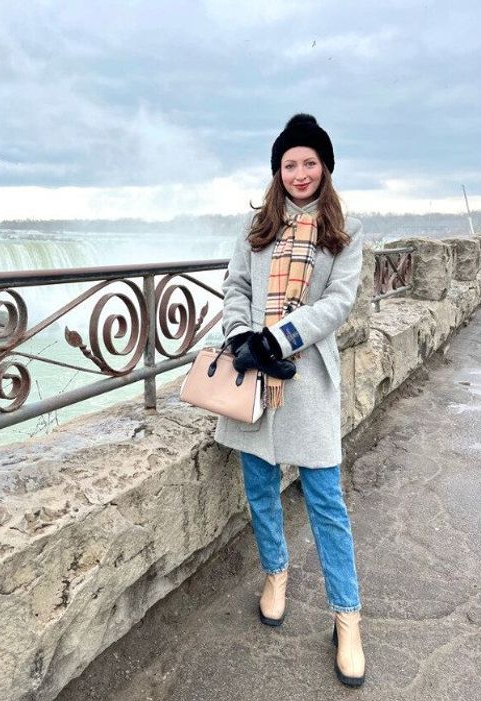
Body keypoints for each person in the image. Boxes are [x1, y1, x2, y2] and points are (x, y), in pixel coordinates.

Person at [214, 113, 366, 687]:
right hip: (253, 375)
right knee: (258, 485)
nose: (299, 173)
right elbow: (236, 286)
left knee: (326, 500)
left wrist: (274, 339)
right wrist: (240, 338)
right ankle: (275, 573)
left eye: (309, 162)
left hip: (307, 379)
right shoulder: (255, 228)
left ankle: (346, 618)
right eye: (288, 164)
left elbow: (338, 303)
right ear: (277, 172)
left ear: (325, 168)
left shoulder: (345, 235)